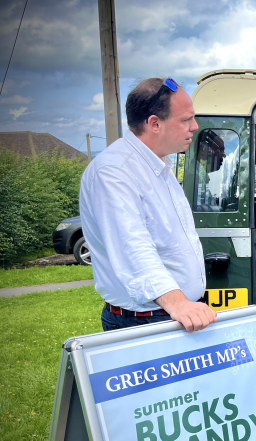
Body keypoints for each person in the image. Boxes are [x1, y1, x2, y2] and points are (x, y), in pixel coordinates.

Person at [79, 78, 216, 332]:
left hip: (172, 313)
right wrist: (178, 304)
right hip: (148, 318)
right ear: (154, 123)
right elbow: (132, 247)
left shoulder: (158, 166)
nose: (195, 127)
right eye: (186, 120)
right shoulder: (115, 171)